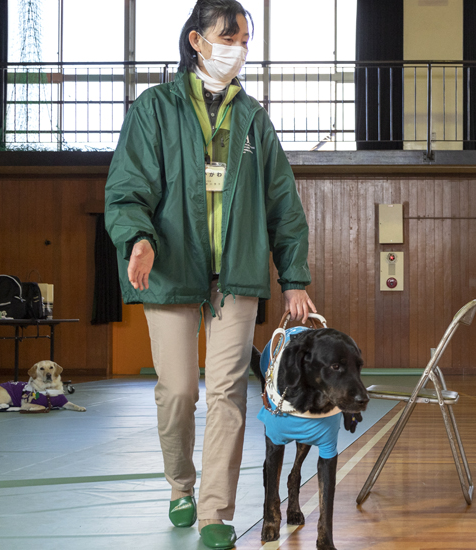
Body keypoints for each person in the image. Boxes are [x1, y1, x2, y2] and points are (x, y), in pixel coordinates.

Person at [104, 2, 315, 547]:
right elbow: (127, 188)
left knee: (226, 391)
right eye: (230, 37)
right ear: (197, 40)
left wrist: (294, 276)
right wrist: (138, 238)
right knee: (177, 391)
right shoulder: (154, 107)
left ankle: (214, 510)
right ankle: (180, 484)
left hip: (237, 275)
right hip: (170, 270)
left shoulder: (253, 117)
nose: (240, 49)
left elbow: (283, 204)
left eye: (246, 39)